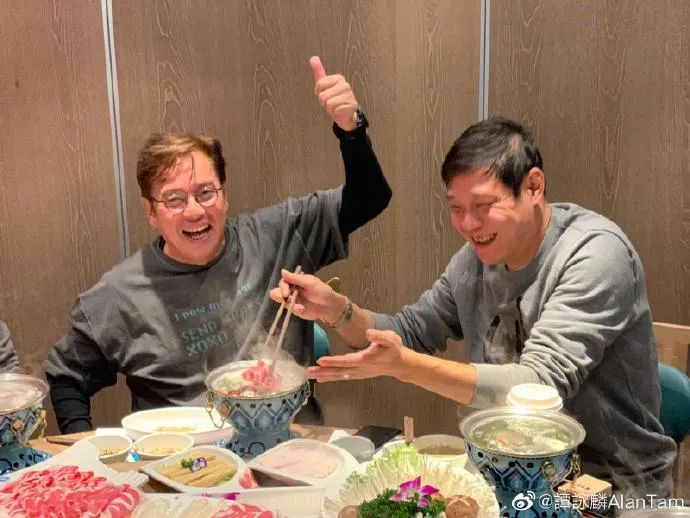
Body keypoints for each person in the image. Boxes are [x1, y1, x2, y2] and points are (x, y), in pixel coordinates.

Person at [271, 117, 676, 499]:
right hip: (509, 475)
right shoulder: (475, 261)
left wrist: (404, 366)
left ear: (533, 186)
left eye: (482, 205)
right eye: (456, 208)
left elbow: (538, 386)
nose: (468, 224)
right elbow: (408, 331)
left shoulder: (595, 254)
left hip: (611, 488)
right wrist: (336, 309)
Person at [43, 56, 392, 434]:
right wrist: (84, 448)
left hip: (289, 441)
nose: (194, 211)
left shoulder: (275, 236)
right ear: (150, 211)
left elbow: (370, 198)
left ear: (224, 196)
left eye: (206, 192)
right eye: (174, 199)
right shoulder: (119, 294)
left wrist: (351, 129)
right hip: (183, 455)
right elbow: (67, 376)